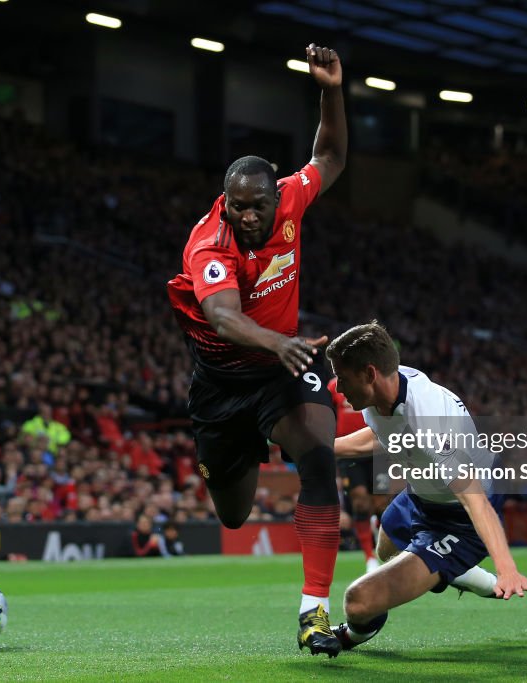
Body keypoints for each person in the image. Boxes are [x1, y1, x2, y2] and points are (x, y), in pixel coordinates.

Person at [167, 43, 347, 657]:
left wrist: (330, 91)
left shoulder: (293, 198)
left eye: (257, 205)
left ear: (277, 198)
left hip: (281, 372)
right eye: (236, 205)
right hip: (221, 385)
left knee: (321, 461)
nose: (246, 215)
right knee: (234, 515)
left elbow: (330, 154)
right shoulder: (208, 244)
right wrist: (282, 341)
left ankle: (313, 612)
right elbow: (221, 317)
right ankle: (249, 449)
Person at [324, 322, 527, 650]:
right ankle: (459, 572)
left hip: (460, 518)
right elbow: (382, 433)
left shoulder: (431, 424)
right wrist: (325, 446)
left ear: (369, 373)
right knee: (387, 549)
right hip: (420, 495)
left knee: (357, 602)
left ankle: (358, 633)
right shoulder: (386, 385)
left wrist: (507, 567)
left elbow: (475, 501)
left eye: (343, 376)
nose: (338, 387)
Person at [329, 377, 388, 574]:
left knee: (381, 504)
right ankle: (370, 559)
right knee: (360, 502)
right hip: (348, 450)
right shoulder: (333, 386)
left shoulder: (374, 381)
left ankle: (385, 551)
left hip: (377, 447)